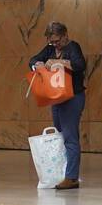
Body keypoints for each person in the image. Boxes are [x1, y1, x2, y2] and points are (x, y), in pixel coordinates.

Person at [30, 22, 87, 190]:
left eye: (57, 41)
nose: (55, 44)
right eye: (51, 41)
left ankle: (71, 177)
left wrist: (57, 62)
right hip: (56, 97)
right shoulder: (49, 48)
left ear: (65, 35)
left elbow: (79, 65)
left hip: (72, 97)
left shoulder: (72, 47)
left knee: (70, 136)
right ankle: (61, 172)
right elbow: (33, 59)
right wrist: (38, 64)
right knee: (60, 136)